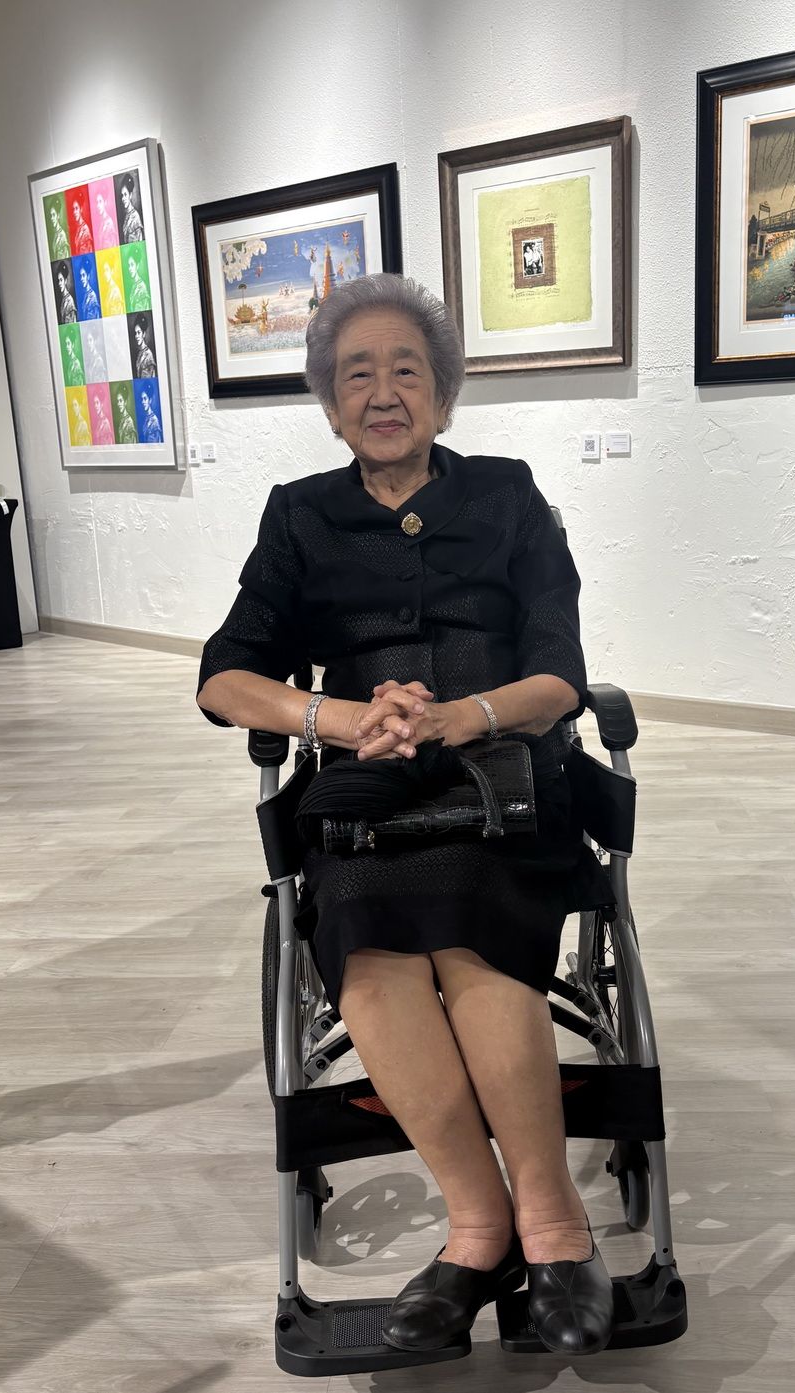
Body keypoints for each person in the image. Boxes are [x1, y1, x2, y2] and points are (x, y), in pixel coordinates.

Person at [196, 273, 617, 1357]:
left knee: (475, 935)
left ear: (443, 392)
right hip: (364, 789)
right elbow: (225, 676)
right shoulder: (301, 513)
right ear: (331, 405)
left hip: (500, 774)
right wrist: (339, 718)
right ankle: (481, 1229)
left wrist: (461, 717)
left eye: (406, 370)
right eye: (357, 375)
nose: (383, 393)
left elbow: (561, 671)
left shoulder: (507, 495)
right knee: (369, 946)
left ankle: (554, 1225)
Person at [119, 175, 144, 242]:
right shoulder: (127, 215)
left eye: (125, 194)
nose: (123, 198)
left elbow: (139, 242)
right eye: (122, 195)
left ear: (130, 195)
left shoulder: (135, 217)